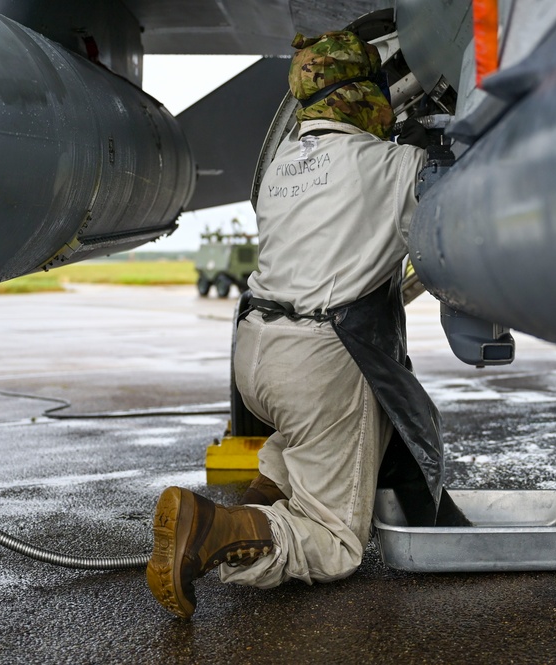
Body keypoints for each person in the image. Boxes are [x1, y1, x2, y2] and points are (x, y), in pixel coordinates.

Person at [146, 30, 461, 620]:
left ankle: (254, 507)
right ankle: (211, 529)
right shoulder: (388, 165)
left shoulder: (281, 165)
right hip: (319, 359)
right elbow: (455, 221)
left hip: (255, 355)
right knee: (337, 543)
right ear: (362, 95)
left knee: (303, 444)